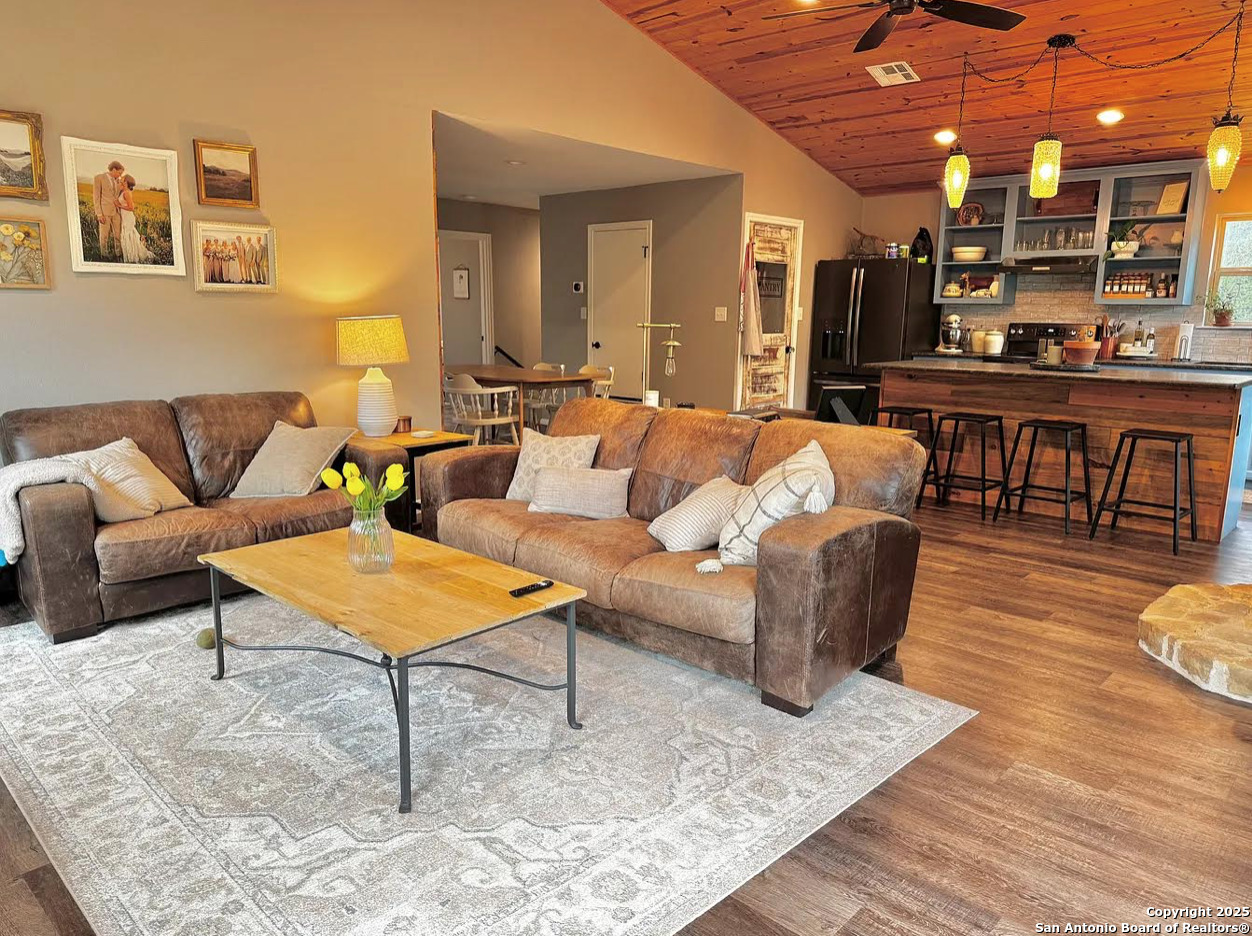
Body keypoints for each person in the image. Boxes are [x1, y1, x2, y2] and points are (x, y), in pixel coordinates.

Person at [117, 175, 155, 264]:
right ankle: (130, 255)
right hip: (125, 216)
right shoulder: (124, 191)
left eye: (123, 178)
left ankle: (133, 256)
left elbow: (131, 207)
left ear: (126, 182)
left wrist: (118, 206)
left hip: (128, 217)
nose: (121, 178)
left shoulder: (127, 193)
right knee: (127, 235)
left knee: (129, 236)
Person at [92, 160, 125, 259]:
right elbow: (96, 197)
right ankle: (104, 254)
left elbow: (117, 195)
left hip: (116, 212)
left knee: (118, 235)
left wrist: (121, 186)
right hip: (104, 212)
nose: (120, 175)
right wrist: (99, 214)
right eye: (119, 173)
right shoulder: (99, 178)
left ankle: (118, 254)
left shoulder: (117, 181)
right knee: (104, 235)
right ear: (114, 169)